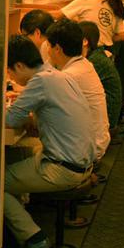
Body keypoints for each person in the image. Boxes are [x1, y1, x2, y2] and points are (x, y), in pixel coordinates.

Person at [2, 35, 97, 248]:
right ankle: (19, 225)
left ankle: (34, 238)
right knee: (22, 155)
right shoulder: (59, 75)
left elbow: (10, 119)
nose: (10, 78)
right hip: (82, 161)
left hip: (63, 168)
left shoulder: (40, 82)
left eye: (10, 72)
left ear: (19, 66)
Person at [46, 20, 111, 160]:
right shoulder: (85, 64)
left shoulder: (70, 76)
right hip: (96, 141)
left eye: (48, 46)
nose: (46, 51)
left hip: (86, 149)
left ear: (57, 48)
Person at [79, 21, 122, 133]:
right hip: (108, 112)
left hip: (108, 116)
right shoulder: (96, 55)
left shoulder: (94, 61)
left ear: (84, 41)